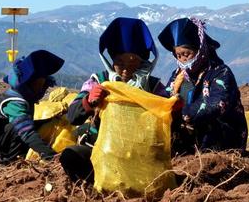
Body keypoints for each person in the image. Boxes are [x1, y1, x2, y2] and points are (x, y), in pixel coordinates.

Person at [59, 17, 168, 183]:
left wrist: (173, 110)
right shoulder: (98, 80)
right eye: (119, 62)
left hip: (141, 156)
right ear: (111, 60)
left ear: (142, 61)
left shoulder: (153, 87)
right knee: (70, 156)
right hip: (102, 150)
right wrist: (88, 101)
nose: (125, 69)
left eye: (133, 62)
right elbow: (73, 116)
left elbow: (169, 122)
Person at [158, 17, 247, 154]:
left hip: (222, 138)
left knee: (210, 125)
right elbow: (166, 97)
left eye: (186, 54)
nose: (183, 59)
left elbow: (217, 105)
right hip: (187, 134)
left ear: (199, 49)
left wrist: (184, 114)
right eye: (178, 55)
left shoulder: (220, 73)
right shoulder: (178, 76)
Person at [0, 50, 65, 164]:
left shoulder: (26, 98)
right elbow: (26, 132)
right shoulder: (15, 102)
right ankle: (7, 162)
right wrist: (51, 156)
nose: (41, 88)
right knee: (18, 129)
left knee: (41, 124)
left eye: (42, 84)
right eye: (38, 84)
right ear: (28, 82)